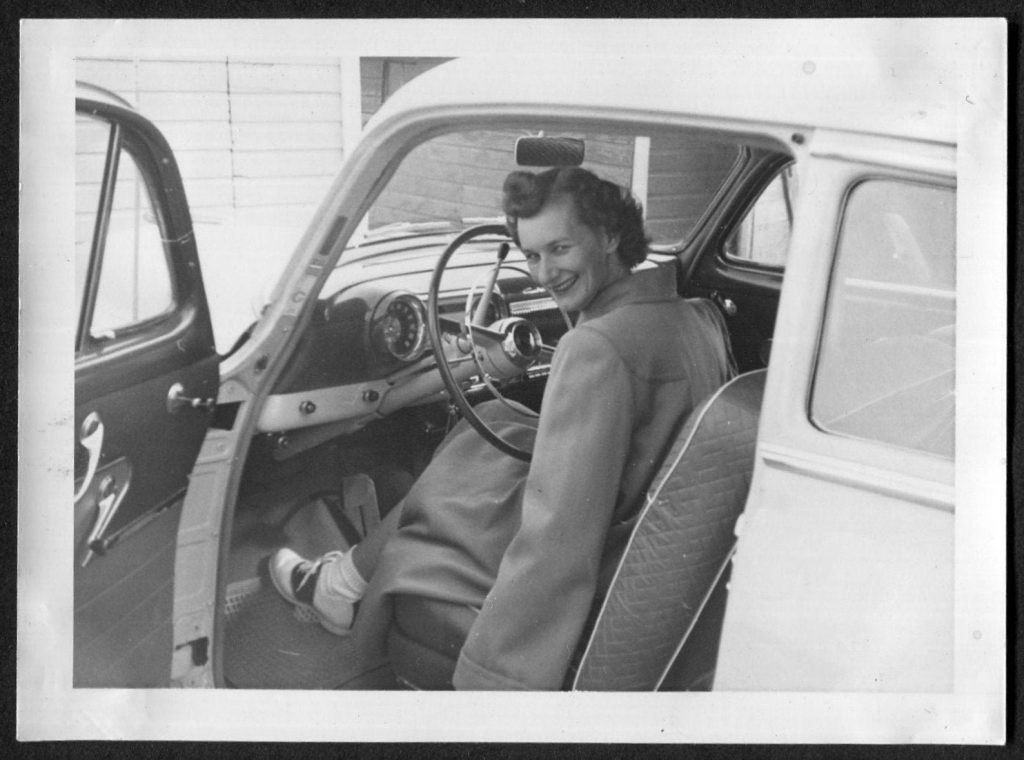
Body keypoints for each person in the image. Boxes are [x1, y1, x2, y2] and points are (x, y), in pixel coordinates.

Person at [269, 166, 736, 689]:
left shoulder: (598, 347)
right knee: (489, 423)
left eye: (559, 249)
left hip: (608, 551)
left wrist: (496, 679)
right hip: (651, 532)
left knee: (451, 477)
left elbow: (558, 539)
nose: (541, 276)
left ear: (608, 236)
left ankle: (340, 582)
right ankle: (344, 578)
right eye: (531, 255)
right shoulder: (694, 317)